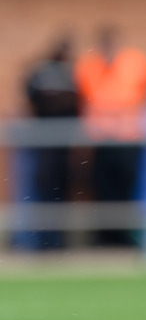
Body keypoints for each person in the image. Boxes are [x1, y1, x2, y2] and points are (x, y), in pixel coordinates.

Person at [75, 26, 146, 247]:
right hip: (101, 139)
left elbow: (140, 93)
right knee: (103, 190)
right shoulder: (90, 66)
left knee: (127, 190)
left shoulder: (135, 62)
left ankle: (125, 237)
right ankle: (105, 237)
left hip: (128, 137)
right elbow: (88, 96)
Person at [22, 35, 79, 249]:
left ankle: (57, 240)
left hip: (62, 146)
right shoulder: (43, 73)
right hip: (44, 143)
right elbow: (31, 99)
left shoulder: (71, 73)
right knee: (45, 191)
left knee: (61, 191)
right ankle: (43, 240)